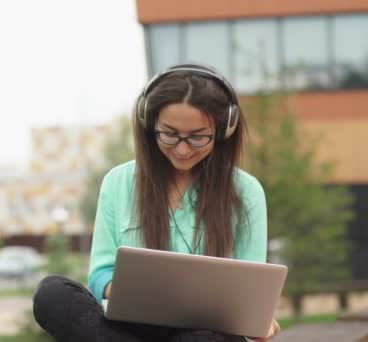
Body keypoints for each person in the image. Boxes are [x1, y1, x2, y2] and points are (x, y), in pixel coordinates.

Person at [33, 63, 280, 342]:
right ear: (149, 125)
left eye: (198, 136)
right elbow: (100, 275)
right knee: (52, 294)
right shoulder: (118, 182)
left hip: (207, 332)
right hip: (135, 326)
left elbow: (250, 290)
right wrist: (140, 294)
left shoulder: (246, 191)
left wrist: (258, 317)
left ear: (224, 130)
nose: (183, 149)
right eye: (170, 134)